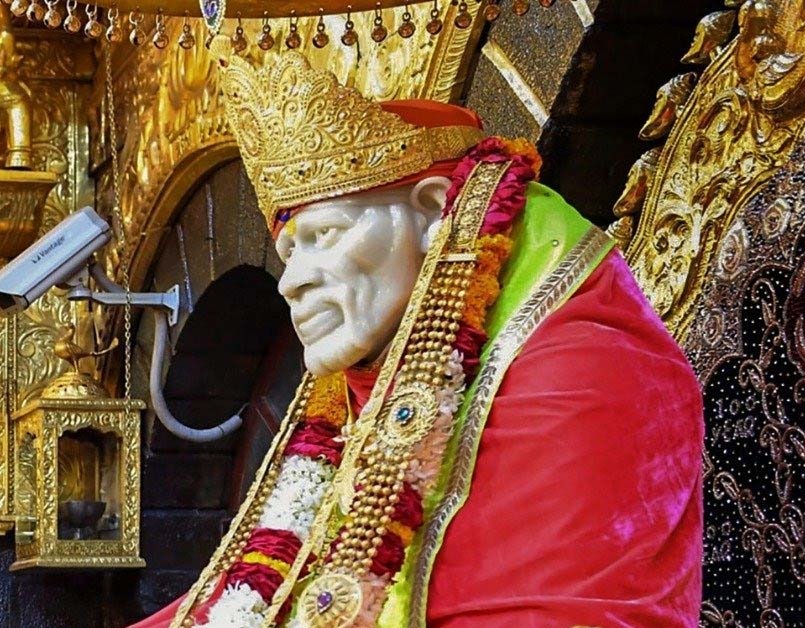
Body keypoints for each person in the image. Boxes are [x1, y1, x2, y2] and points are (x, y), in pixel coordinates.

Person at [133, 41, 702, 628]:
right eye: (289, 253)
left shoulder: (584, 367)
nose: (291, 282)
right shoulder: (365, 390)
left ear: (433, 212)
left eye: (325, 236)